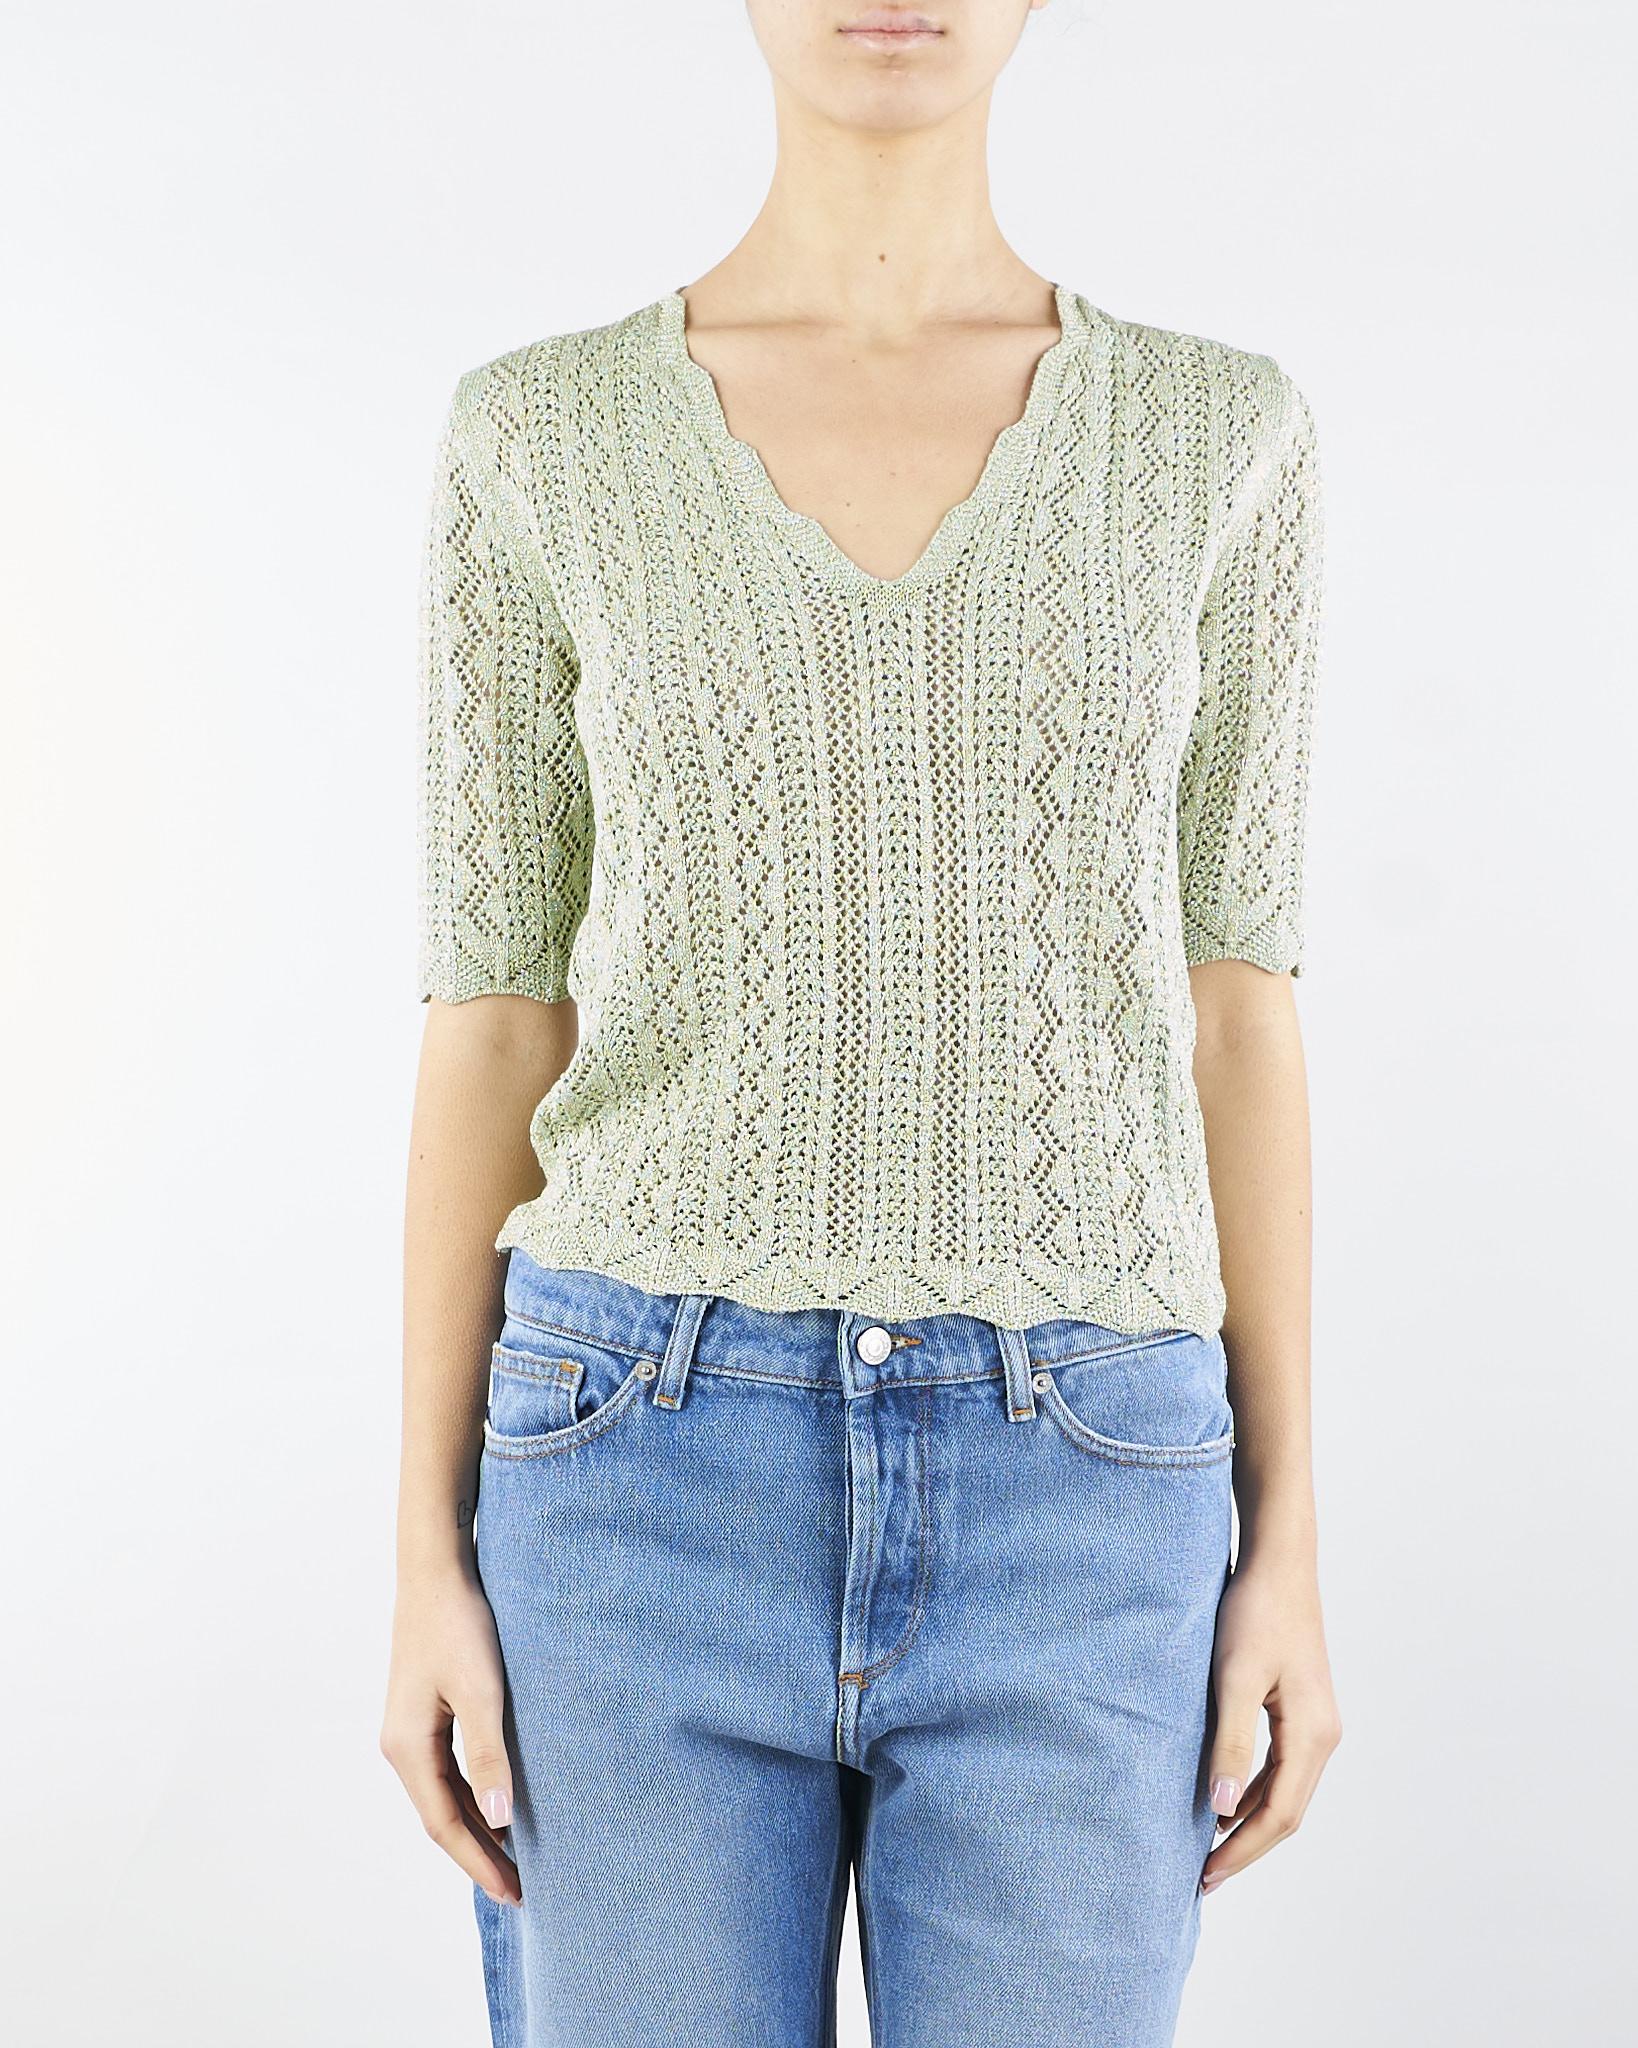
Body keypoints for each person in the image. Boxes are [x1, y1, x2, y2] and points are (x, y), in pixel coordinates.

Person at [380, 2, 1342, 2041]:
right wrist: (420, 1557)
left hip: (1089, 1477)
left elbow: (1237, 1007)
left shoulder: (1218, 436)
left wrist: (1289, 1539)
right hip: (630, 1466)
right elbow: (493, 1013)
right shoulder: (540, 436)